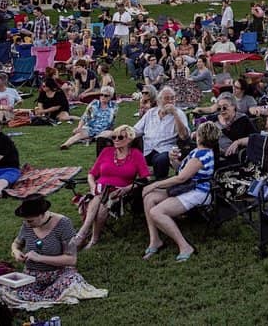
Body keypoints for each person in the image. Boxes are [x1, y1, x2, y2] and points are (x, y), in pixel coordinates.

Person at [6, 194, 105, 306]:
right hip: (32, 275)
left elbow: (71, 259)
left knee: (71, 282)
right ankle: (39, 295)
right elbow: (16, 244)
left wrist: (40, 258)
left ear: (42, 215)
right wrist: (16, 252)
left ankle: (44, 295)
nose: (28, 224)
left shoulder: (63, 224)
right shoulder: (27, 224)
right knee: (8, 290)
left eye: (31, 221)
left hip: (58, 273)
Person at [141, 121, 219, 262]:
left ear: (200, 136)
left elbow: (181, 178)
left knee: (156, 212)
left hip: (198, 192)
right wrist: (174, 160)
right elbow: (181, 171)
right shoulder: (197, 151)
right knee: (149, 199)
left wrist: (154, 185)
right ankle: (155, 240)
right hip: (187, 187)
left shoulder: (201, 156)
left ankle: (185, 246)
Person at [75, 125, 150, 249]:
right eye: (113, 137)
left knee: (103, 201)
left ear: (130, 139)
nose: (115, 139)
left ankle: (85, 236)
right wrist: (93, 186)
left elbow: (145, 179)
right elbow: (91, 174)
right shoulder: (106, 152)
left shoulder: (136, 155)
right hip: (99, 189)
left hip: (119, 192)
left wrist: (127, 188)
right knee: (100, 198)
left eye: (120, 137)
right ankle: (90, 236)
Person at [133, 86, 190, 179]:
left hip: (165, 149)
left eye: (173, 98)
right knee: (131, 154)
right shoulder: (151, 113)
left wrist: (175, 114)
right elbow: (136, 130)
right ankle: (133, 184)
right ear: (159, 101)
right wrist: (124, 133)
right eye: (167, 98)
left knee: (161, 160)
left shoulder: (179, 114)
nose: (170, 101)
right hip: (147, 149)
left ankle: (160, 184)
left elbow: (184, 136)